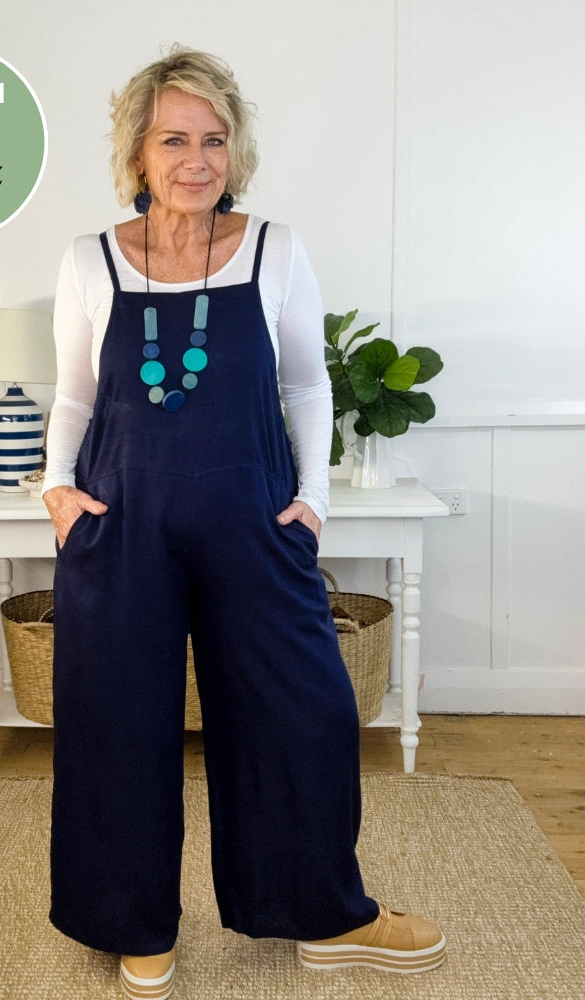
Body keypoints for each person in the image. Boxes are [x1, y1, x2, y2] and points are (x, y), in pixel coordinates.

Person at [42, 45, 445, 1000]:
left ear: (236, 152)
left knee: (301, 711)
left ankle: (328, 915)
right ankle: (133, 922)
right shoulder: (88, 260)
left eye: (214, 140)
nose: (197, 160)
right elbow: (74, 394)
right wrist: (56, 487)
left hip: (254, 521)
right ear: (137, 153)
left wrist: (314, 503)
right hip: (122, 527)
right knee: (117, 723)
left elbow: (306, 385)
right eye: (173, 140)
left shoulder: (276, 249)